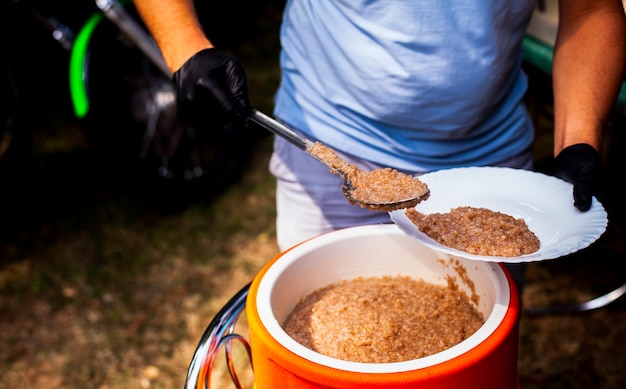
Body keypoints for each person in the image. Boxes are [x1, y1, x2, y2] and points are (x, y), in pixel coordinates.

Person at [134, 0, 626, 253]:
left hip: (490, 164)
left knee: (473, 368)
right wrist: (186, 48)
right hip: (329, 148)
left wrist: (578, 139)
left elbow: (592, 10)